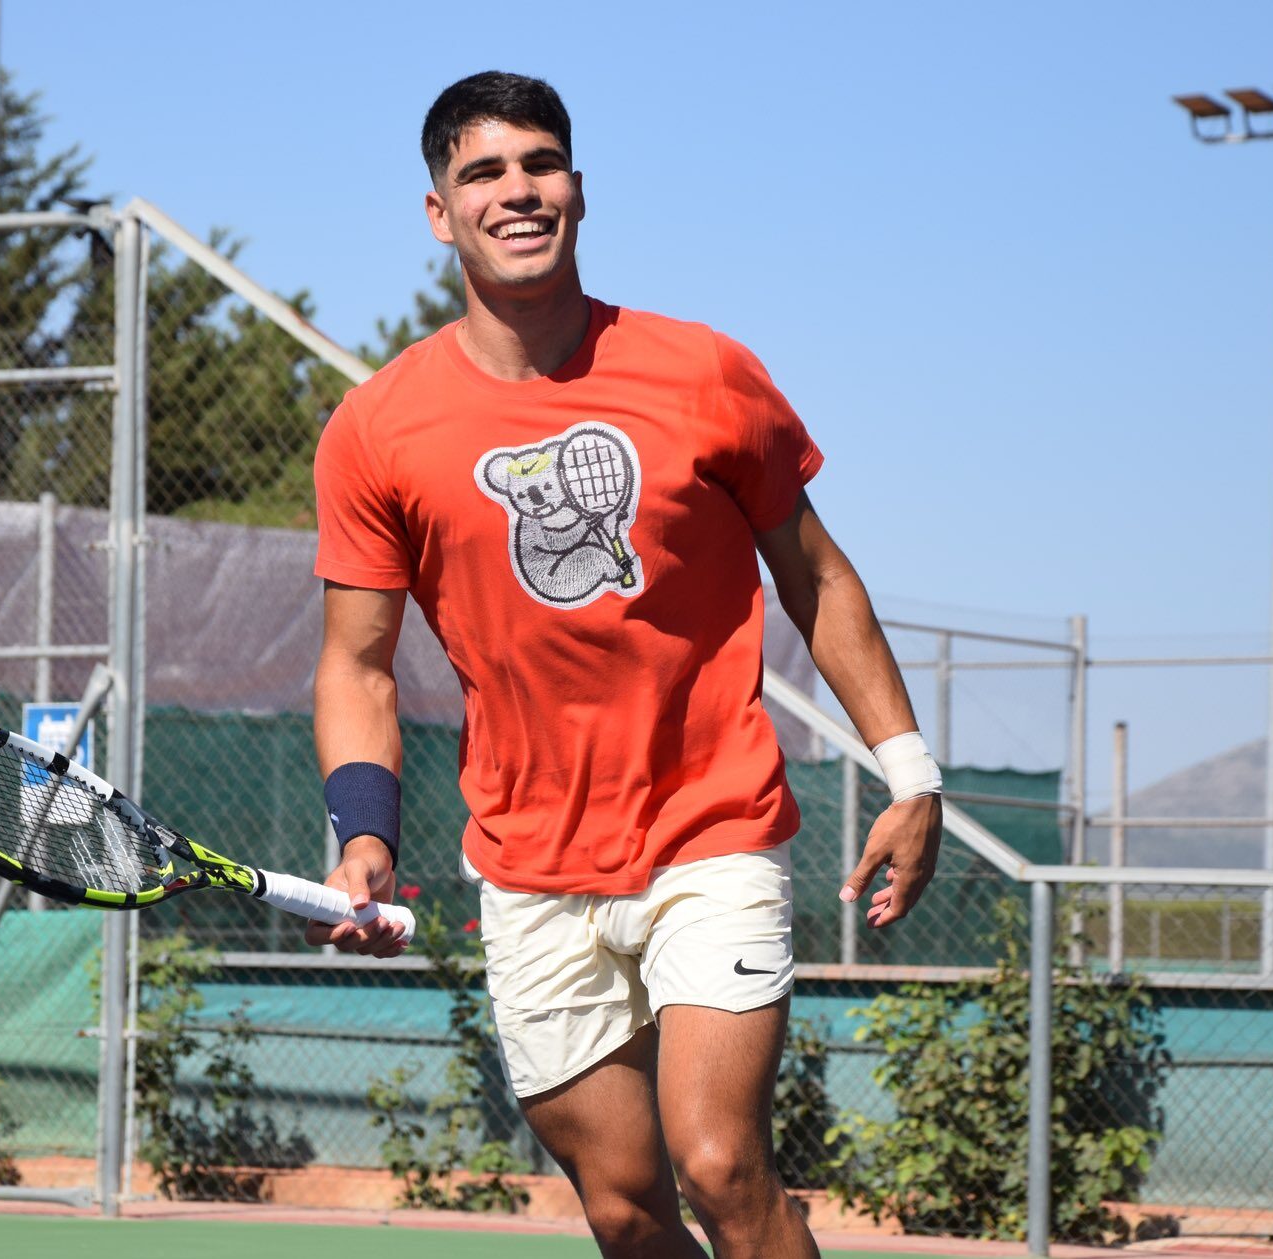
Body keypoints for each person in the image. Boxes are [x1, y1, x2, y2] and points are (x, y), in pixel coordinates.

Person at [307, 70, 944, 1258]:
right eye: (483, 172)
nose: (518, 190)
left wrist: (910, 773)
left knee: (719, 1161)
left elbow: (819, 577)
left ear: (579, 191)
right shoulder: (376, 426)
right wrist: (364, 833)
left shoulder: (704, 372)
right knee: (620, 1202)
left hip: (711, 829)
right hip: (528, 859)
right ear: (439, 213)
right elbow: (358, 665)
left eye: (540, 163)